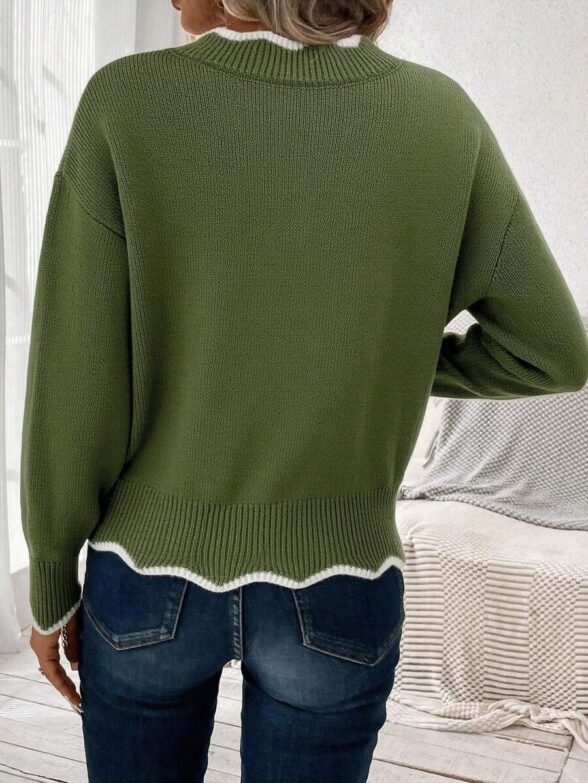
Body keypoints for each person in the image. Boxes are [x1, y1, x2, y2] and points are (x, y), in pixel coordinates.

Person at [21, 1, 588, 781]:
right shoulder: (442, 116)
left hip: (148, 579)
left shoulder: (127, 102)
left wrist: (52, 578)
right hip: (341, 583)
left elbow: (75, 377)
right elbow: (552, 351)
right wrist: (371, 361)